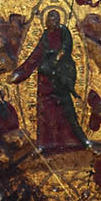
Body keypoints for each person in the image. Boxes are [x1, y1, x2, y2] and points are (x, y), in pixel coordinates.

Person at [10, 9, 89, 152]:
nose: (51, 21)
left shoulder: (64, 31)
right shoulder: (46, 35)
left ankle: (79, 141)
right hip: (46, 77)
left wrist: (56, 59)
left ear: (59, 20)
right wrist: (20, 73)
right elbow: (36, 55)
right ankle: (44, 144)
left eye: (54, 18)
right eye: (49, 19)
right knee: (45, 111)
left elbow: (66, 48)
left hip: (59, 75)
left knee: (66, 109)